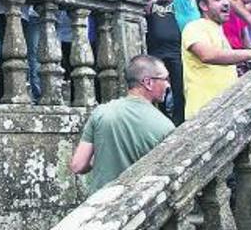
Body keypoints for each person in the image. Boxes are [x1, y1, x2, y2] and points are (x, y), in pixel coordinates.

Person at [69, 55, 175, 194]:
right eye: (165, 79)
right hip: (138, 205)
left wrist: (101, 157)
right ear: (148, 82)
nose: (168, 85)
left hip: (100, 206)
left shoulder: (101, 113)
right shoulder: (165, 126)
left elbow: (77, 166)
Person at [182, 0, 251, 118]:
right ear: (203, 5)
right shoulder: (195, 27)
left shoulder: (218, 31)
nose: (226, 3)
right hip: (203, 112)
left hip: (222, 109)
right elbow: (207, 55)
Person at [145, 0, 184, 125]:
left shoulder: (176, 5)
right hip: (156, 53)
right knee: (157, 86)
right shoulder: (153, 6)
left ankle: (179, 119)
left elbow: (181, 0)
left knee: (178, 87)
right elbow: (145, 8)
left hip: (175, 51)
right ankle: (161, 118)